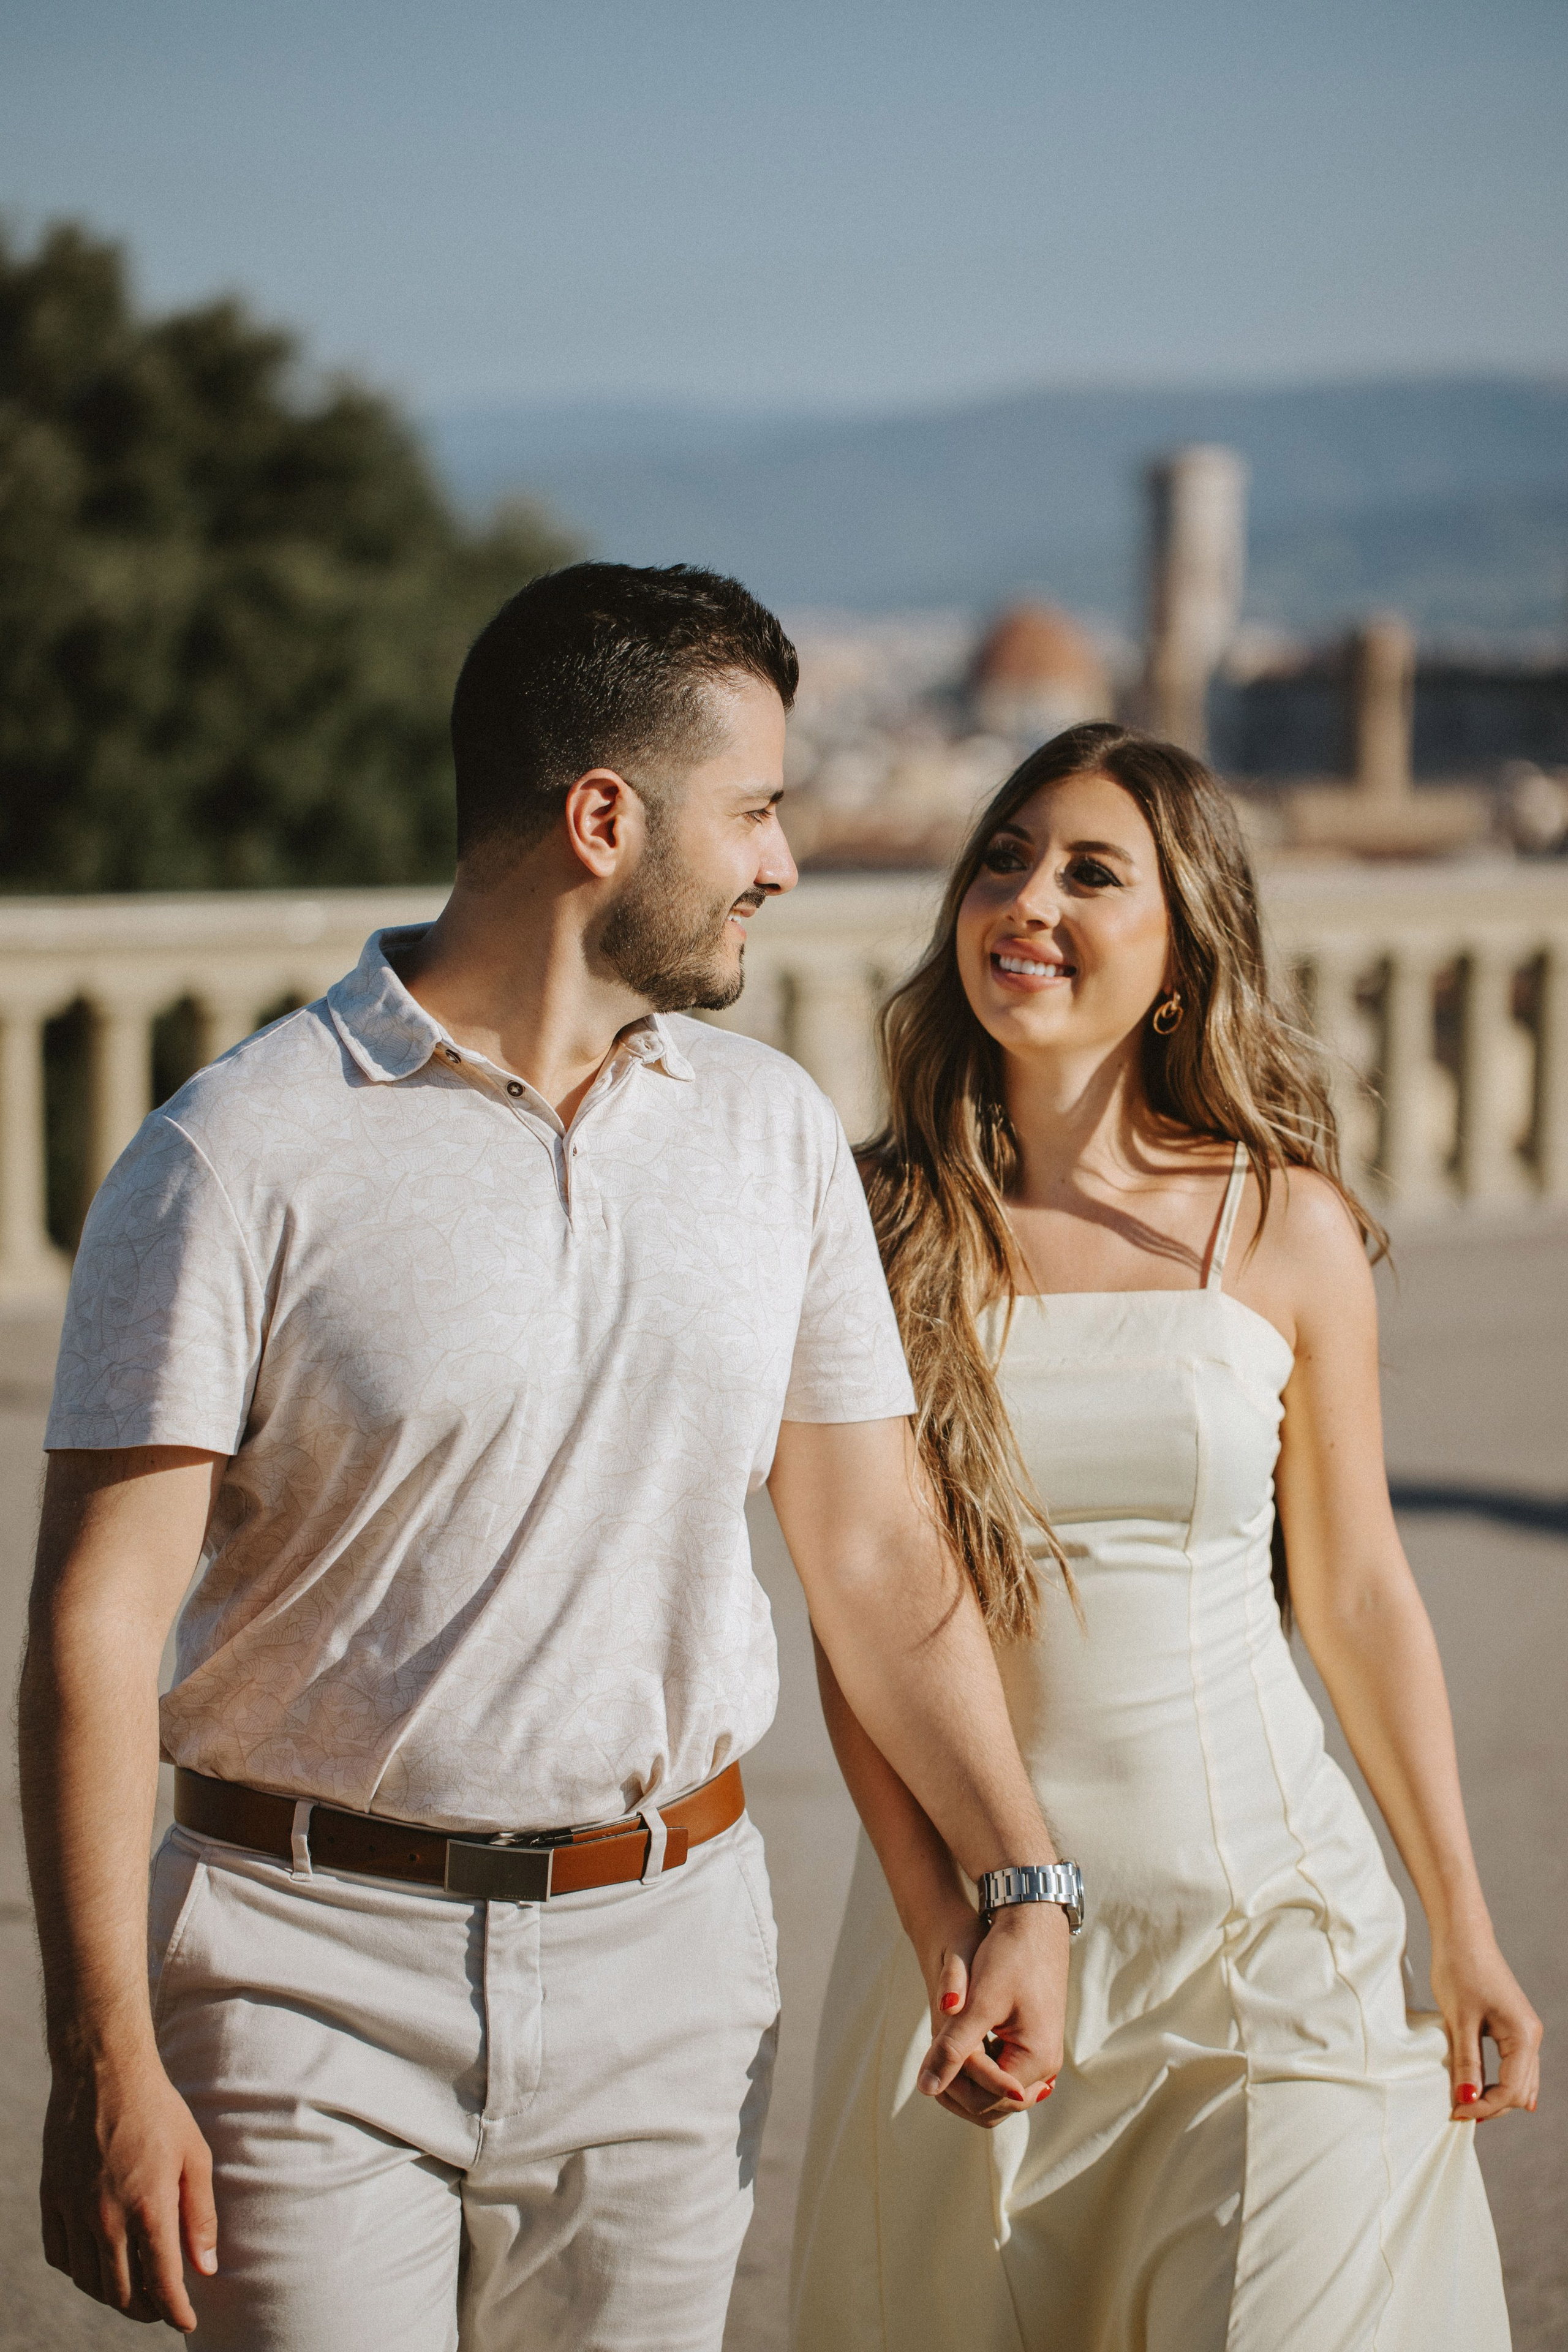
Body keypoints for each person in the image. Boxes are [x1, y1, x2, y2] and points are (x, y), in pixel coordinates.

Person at [20, 562, 1074, 2352]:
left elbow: (879, 1552)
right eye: (752, 810)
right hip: (297, 1973)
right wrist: (104, 2053)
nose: (783, 862)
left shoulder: (773, 1138)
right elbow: (95, 1630)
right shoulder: (233, 1157)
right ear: (604, 821)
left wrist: (1020, 1879)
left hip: (671, 1977)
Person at [791, 722, 1542, 2351]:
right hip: (973, 1939)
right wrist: (945, 1935)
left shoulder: (1283, 1222)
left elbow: (1357, 1592)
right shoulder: (870, 1228)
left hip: (1267, 1925)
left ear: (1185, 954)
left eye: (1090, 872)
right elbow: (859, 1619)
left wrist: (1462, 1922)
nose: (1028, 900)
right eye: (1004, 860)